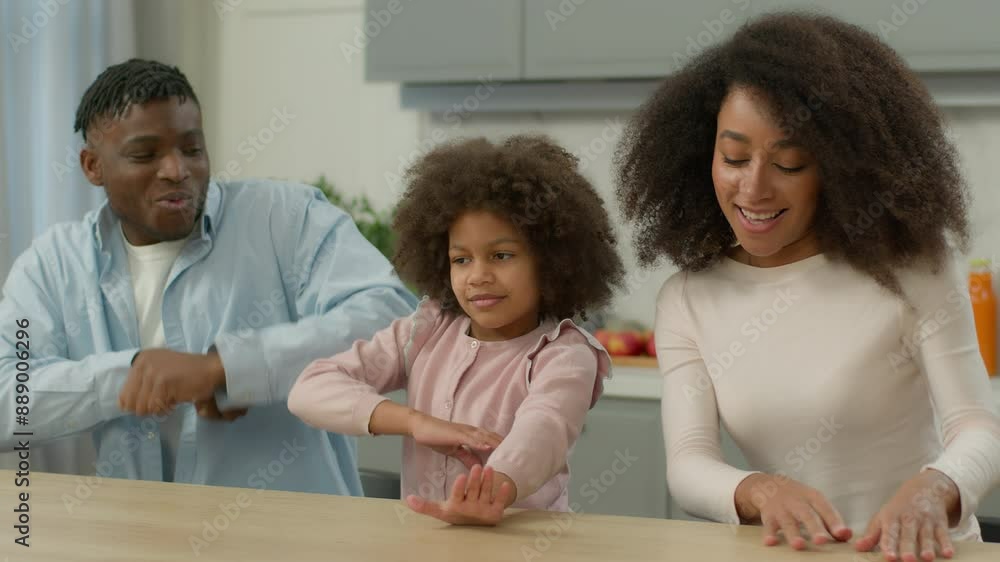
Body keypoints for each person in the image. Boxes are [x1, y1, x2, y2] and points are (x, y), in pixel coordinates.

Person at [615, 12, 1000, 561]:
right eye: (734, 158)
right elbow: (689, 463)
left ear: (840, 168)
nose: (754, 188)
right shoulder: (687, 299)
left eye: (790, 164)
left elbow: (979, 428)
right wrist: (759, 490)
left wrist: (938, 487)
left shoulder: (912, 270)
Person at [0, 59, 416, 495]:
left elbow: (394, 321)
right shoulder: (54, 264)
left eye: (192, 149)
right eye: (145, 155)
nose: (176, 169)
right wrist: (131, 375)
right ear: (92, 166)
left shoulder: (288, 219)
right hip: (131, 531)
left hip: (291, 531)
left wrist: (229, 368)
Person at [288, 135, 625, 525]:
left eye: (501, 255)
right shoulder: (426, 330)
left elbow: (544, 432)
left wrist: (493, 490)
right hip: (428, 542)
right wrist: (416, 423)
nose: (478, 276)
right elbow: (309, 390)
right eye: (461, 259)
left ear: (552, 261)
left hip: (525, 546)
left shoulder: (564, 354)